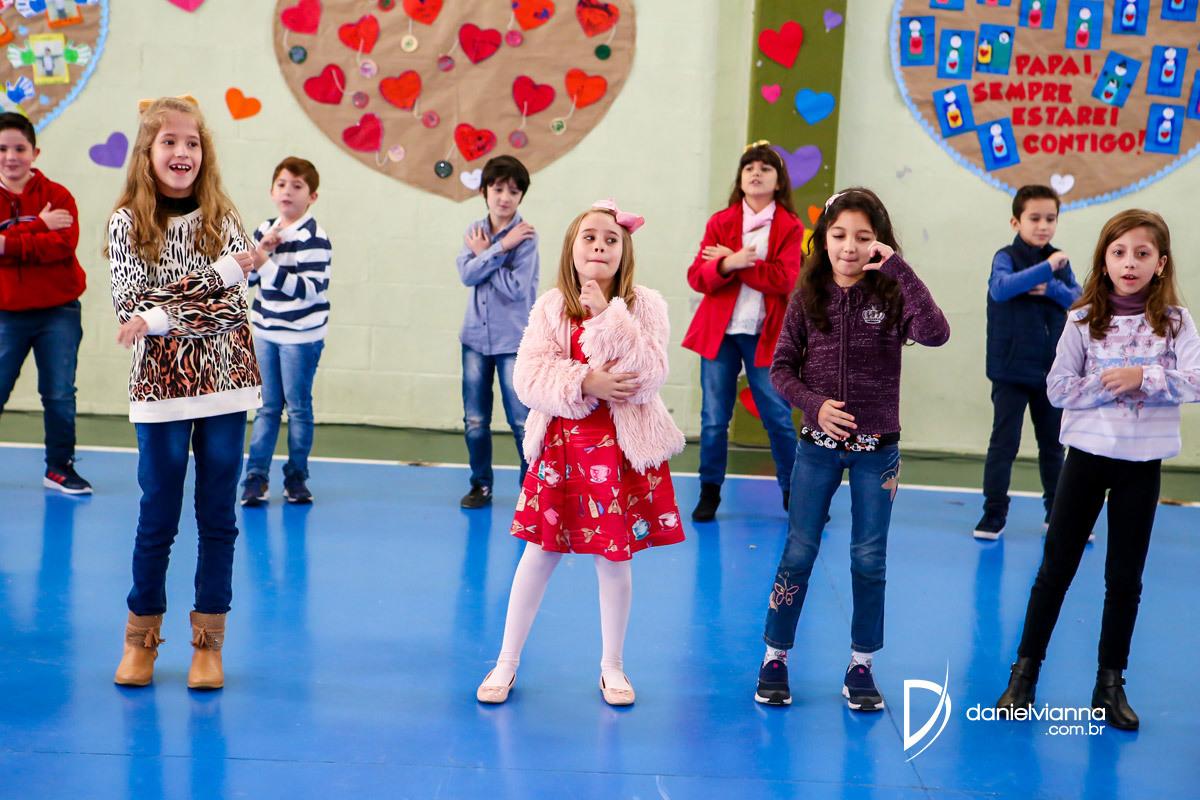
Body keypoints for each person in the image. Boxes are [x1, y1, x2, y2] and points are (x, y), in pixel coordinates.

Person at [995, 209, 1200, 731]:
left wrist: (1145, 377)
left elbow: (1197, 379)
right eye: (1119, 252)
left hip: (1142, 466)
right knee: (1055, 570)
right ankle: (1023, 677)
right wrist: (1113, 382)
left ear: (1160, 263)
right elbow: (1058, 388)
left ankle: (1109, 686)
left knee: (1124, 579)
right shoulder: (1083, 318)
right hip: (1085, 460)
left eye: (1142, 253)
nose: (1129, 263)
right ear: (1103, 260)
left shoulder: (1176, 321)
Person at [475, 200, 685, 706]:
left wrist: (608, 316)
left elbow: (650, 375)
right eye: (589, 237)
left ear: (624, 252)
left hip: (619, 456)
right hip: (563, 451)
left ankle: (613, 667)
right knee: (539, 554)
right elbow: (528, 377)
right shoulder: (551, 306)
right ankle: (506, 662)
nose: (600, 246)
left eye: (611, 240)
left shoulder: (644, 306)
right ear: (571, 248)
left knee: (614, 560)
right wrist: (584, 381)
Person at [756, 188, 950, 710]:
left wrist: (900, 271)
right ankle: (775, 656)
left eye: (863, 237)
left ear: (880, 243)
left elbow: (937, 333)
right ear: (823, 240)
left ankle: (861, 665)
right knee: (799, 551)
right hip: (816, 450)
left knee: (868, 559)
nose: (849, 247)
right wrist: (814, 405)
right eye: (839, 235)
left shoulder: (892, 295)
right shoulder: (807, 297)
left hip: (877, 453)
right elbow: (780, 369)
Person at [107, 95, 264, 691]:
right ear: (148, 152)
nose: (182, 152)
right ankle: (140, 640)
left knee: (218, 516)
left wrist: (158, 315)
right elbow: (129, 306)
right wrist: (223, 273)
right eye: (169, 141)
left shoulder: (224, 217)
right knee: (157, 515)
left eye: (192, 142)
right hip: (159, 389)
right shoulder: (127, 222)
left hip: (226, 383)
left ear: (205, 152)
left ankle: (208, 645)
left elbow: (231, 312)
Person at [683, 142, 802, 522]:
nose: (755, 173)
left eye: (765, 168)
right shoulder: (721, 221)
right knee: (714, 419)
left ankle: (794, 494)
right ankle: (709, 492)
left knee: (778, 417)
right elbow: (697, 277)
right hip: (719, 334)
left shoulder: (790, 226)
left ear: (779, 182)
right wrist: (727, 263)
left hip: (765, 332)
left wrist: (736, 263)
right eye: (749, 167)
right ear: (740, 178)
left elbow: (784, 280)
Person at [975, 185, 1081, 540]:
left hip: (1051, 372)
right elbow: (1001, 288)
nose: (1043, 225)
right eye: (1034, 218)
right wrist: (1045, 270)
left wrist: (1051, 287)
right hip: (1010, 371)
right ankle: (993, 514)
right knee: (1004, 445)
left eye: (1050, 218)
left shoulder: (1060, 261)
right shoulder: (1005, 257)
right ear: (1015, 222)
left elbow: (1080, 301)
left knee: (1053, 446)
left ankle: (1058, 513)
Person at [0, 111, 90, 494]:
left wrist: (7, 244)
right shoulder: (43, 210)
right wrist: (38, 226)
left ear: (34, 153)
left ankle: (59, 467)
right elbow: (45, 241)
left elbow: (62, 246)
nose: (11, 156)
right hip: (6, 314)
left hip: (59, 313)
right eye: (2, 149)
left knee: (59, 394)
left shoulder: (58, 196)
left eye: (19, 148)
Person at [240, 157, 331, 506]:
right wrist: (261, 251)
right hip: (266, 332)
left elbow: (310, 291)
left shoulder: (314, 238)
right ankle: (255, 477)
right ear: (271, 191)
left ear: (312, 197)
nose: (287, 192)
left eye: (297, 186)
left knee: (298, 409)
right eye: (281, 184)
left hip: (300, 339)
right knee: (266, 408)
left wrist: (266, 263)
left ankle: (296, 477)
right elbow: (247, 280)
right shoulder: (264, 229)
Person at [456, 155, 539, 508]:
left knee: (521, 421)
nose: (505, 197)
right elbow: (466, 275)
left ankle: (531, 489)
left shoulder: (526, 238)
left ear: (521, 197)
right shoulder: (474, 231)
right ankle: (481, 485)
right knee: (475, 420)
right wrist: (499, 248)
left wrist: (486, 255)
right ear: (484, 191)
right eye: (498, 189)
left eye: (513, 191)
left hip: (513, 342)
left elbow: (516, 289)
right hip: (474, 339)